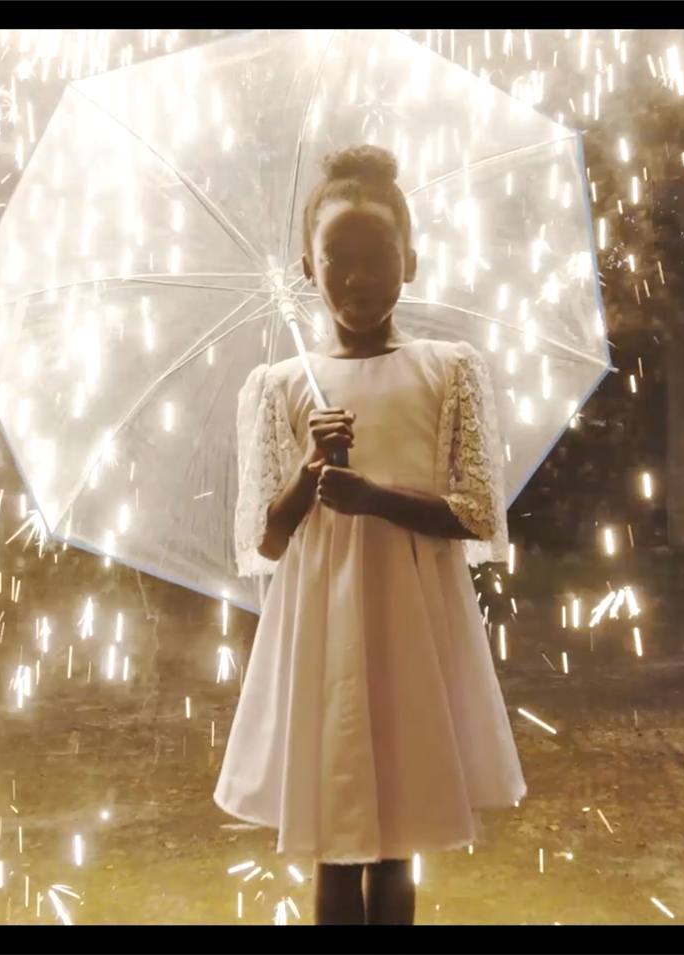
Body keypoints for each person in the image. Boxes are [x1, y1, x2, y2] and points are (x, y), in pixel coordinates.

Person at [215, 145, 526, 925]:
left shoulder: (447, 370)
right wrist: (308, 470)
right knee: (334, 835)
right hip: (324, 623)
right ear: (308, 268)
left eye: (378, 256)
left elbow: (477, 513)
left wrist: (375, 497)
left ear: (410, 261)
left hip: (411, 621)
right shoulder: (282, 387)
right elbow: (266, 540)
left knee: (397, 841)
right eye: (337, 258)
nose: (358, 277)